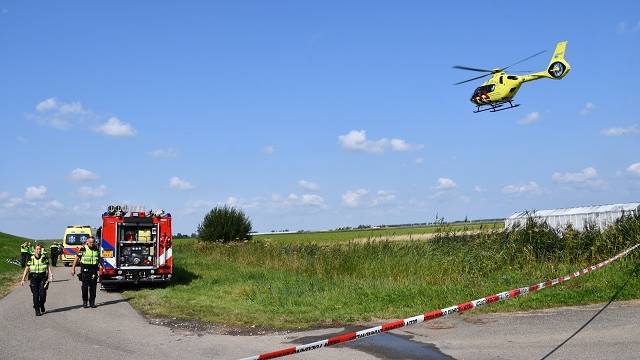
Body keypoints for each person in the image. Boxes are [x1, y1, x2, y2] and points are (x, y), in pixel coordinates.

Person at [20, 244, 53, 316]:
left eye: (40, 249)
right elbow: (27, 268)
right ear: (34, 250)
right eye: (37, 249)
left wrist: (50, 275)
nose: (39, 250)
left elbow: (48, 266)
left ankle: (41, 304)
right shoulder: (31, 258)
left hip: (43, 278)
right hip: (34, 278)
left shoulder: (44, 257)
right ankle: (37, 309)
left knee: (42, 294)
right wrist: (23, 279)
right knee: (35, 295)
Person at [71, 236, 100, 308]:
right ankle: (85, 301)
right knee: (85, 287)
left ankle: (92, 302)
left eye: (93, 242)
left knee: (93, 287)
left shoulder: (96, 249)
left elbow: (99, 258)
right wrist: (73, 268)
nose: (92, 244)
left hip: (94, 270)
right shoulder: (83, 249)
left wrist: (102, 266)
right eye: (90, 242)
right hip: (85, 270)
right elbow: (77, 258)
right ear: (87, 242)